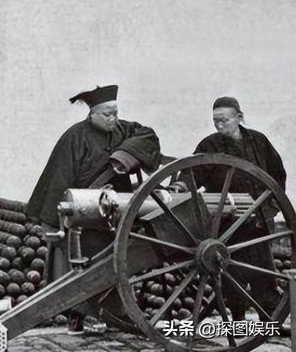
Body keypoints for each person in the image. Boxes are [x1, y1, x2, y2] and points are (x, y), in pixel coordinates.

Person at [26, 84, 161, 331]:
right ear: (92, 114)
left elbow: (147, 135)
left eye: (116, 113)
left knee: (115, 264)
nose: (114, 119)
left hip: (116, 211)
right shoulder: (74, 137)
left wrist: (126, 156)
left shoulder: (124, 129)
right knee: (78, 267)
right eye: (107, 115)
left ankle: (118, 315)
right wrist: (58, 217)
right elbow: (59, 177)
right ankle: (76, 315)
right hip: (83, 215)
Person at [193, 96, 285, 321]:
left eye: (224, 120)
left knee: (264, 271)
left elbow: (277, 174)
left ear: (239, 118)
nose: (219, 125)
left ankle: (269, 320)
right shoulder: (209, 145)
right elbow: (193, 176)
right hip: (229, 224)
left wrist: (272, 206)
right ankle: (237, 320)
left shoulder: (258, 141)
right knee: (233, 273)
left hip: (260, 220)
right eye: (215, 121)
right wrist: (178, 186)